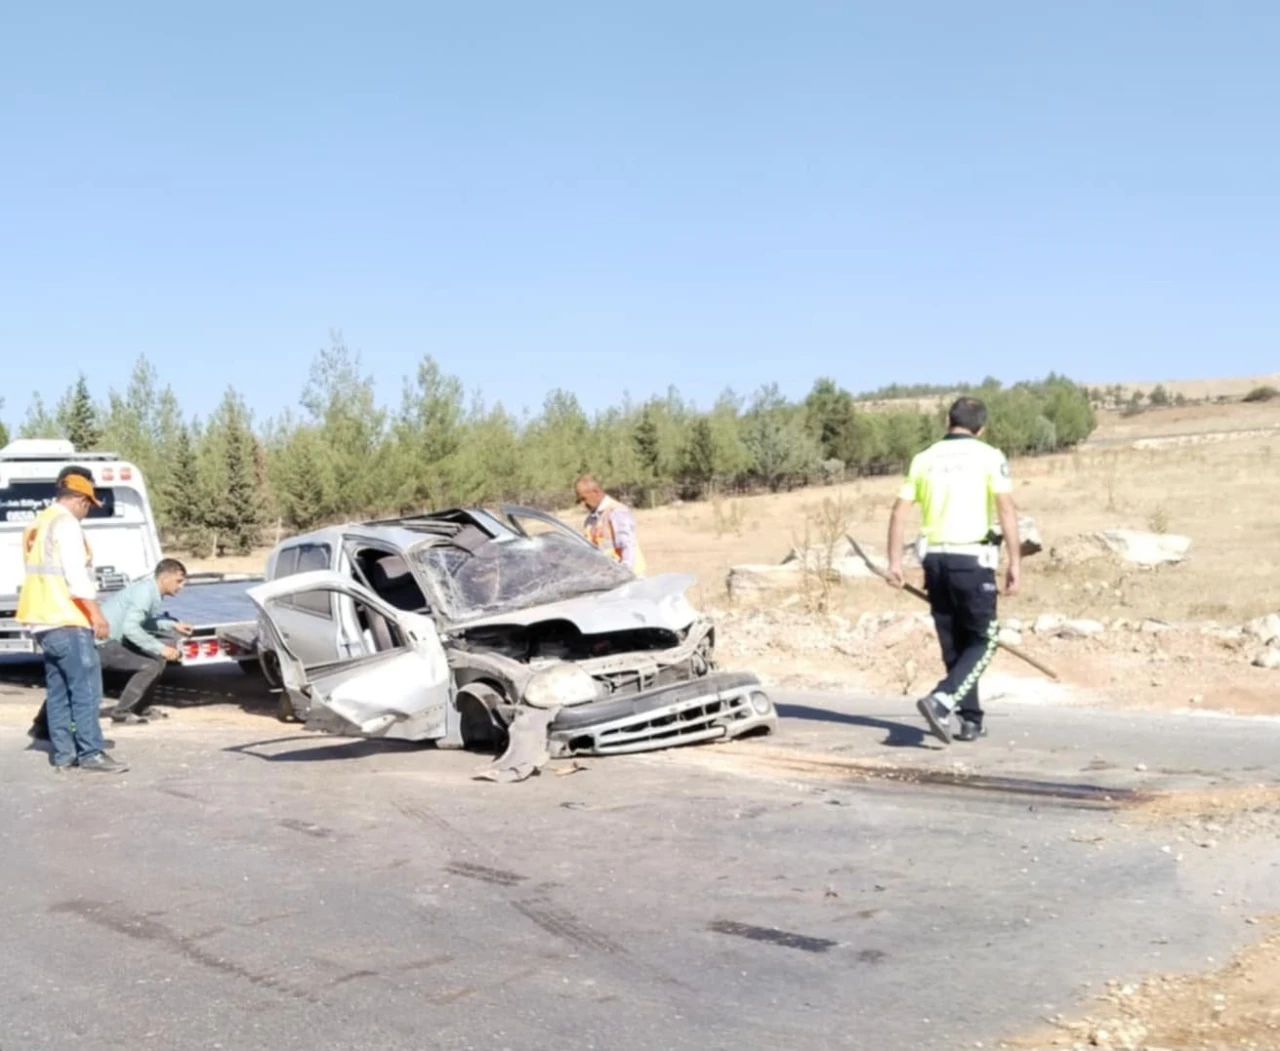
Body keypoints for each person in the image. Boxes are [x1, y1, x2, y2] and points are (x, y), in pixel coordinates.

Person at [885, 396, 1021, 745]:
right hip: (971, 561)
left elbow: (899, 512)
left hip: (935, 562)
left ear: (948, 420)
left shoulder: (924, 457)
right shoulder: (990, 456)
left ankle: (970, 720)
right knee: (985, 640)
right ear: (982, 427)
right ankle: (941, 700)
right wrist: (1015, 562)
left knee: (955, 645)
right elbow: (1006, 510)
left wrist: (895, 563)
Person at [16, 465, 128, 773]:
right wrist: (96, 614)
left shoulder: (37, 524)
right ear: (80, 499)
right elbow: (75, 575)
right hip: (67, 618)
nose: (87, 512)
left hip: (42, 622)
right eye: (88, 505)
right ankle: (91, 752)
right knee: (86, 689)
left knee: (59, 690)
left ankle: (64, 754)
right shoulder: (66, 524)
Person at [31, 559, 194, 732]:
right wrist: (161, 648)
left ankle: (139, 708)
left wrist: (172, 625)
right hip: (101, 643)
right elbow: (131, 629)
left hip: (107, 640)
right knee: (151, 664)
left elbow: (142, 623)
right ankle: (122, 714)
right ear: (164, 578)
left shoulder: (150, 591)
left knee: (69, 680)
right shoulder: (145, 593)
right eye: (179, 581)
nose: (181, 586)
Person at [575, 474, 647, 575]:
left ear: (596, 492)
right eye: (579, 500)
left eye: (583, 499)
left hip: (627, 578)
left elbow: (628, 545)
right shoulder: (590, 520)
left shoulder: (616, 512)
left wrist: (625, 573)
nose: (582, 504)